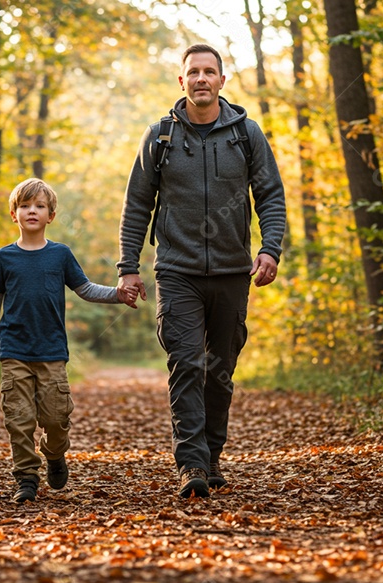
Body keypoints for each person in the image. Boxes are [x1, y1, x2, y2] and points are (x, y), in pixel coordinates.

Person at [116, 43, 286, 499]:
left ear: (222, 81)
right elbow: (136, 205)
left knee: (220, 369)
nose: (202, 79)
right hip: (176, 270)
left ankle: (212, 455)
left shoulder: (246, 134)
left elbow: (270, 195)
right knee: (186, 363)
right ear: (182, 81)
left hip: (233, 271)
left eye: (210, 72)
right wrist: (127, 268)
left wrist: (271, 249)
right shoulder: (160, 137)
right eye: (194, 72)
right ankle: (190, 461)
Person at [0, 178, 138, 504]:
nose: (31, 211)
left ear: (50, 215)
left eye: (39, 206)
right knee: (18, 421)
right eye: (24, 205)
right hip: (14, 351)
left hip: (51, 352)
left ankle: (55, 453)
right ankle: (26, 478)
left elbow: (86, 289)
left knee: (55, 419)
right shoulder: (5, 258)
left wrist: (117, 294)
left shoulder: (60, 255)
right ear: (13, 214)